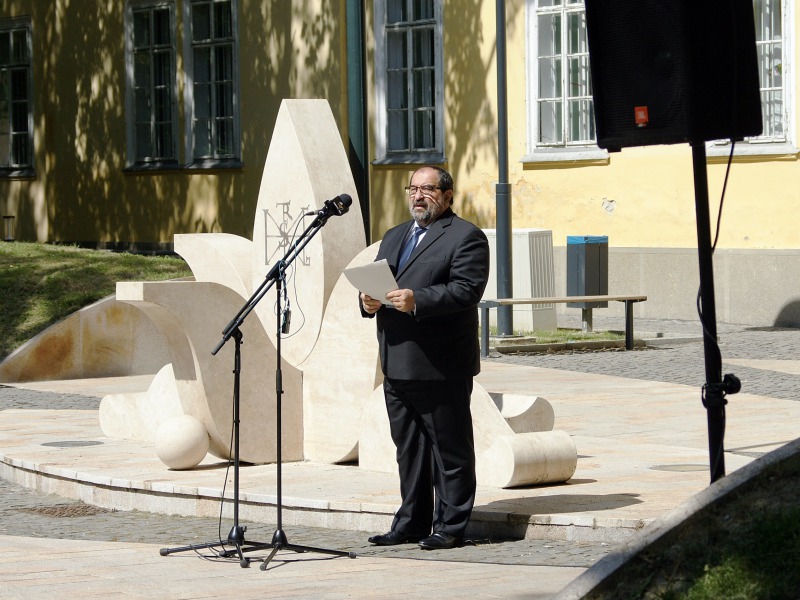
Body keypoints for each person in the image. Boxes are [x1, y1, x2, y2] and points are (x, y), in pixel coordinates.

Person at [360, 165, 490, 550]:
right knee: (409, 450)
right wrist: (367, 301)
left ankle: (450, 527)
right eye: (413, 189)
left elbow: (467, 290)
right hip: (396, 361)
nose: (418, 196)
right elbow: (377, 284)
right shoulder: (394, 235)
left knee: (450, 450)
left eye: (428, 189)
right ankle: (411, 522)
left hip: (440, 365)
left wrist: (419, 300)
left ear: (448, 197)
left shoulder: (466, 236)